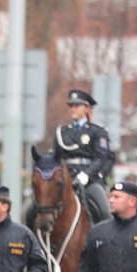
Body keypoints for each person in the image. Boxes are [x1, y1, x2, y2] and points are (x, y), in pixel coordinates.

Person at [53, 89, 113, 224]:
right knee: (34, 209)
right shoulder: (62, 132)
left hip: (88, 180)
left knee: (105, 212)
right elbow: (56, 158)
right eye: (71, 106)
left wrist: (86, 174)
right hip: (65, 177)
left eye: (77, 105)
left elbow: (102, 157)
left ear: (86, 108)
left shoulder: (97, 131)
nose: (73, 109)